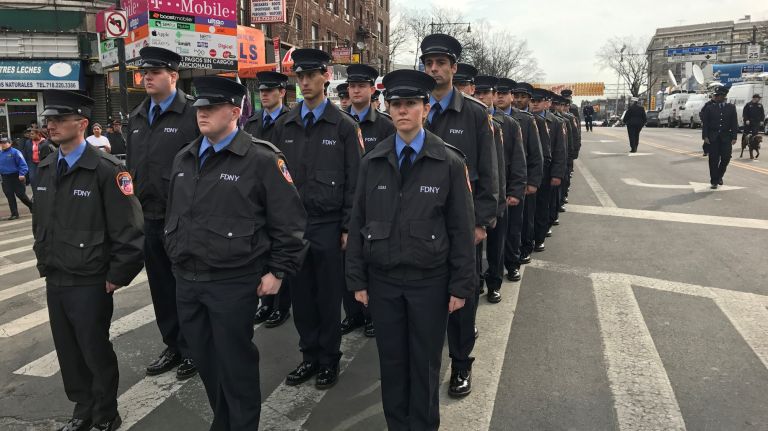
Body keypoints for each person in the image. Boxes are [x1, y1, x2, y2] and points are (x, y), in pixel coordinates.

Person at [164, 76, 307, 430]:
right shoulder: (184, 157)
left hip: (232, 279)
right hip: (188, 278)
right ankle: (223, 421)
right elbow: (175, 215)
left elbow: (290, 222)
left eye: (211, 108)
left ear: (235, 110)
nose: (203, 114)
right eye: (200, 107)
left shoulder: (260, 159)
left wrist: (278, 271)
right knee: (206, 360)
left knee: (236, 362)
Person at [346, 69, 475, 431]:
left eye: (411, 104)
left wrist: (461, 286)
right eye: (396, 104)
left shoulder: (448, 162)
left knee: (425, 363)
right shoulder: (373, 161)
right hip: (384, 281)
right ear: (387, 107)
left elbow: (461, 229)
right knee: (392, 362)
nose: (403, 111)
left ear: (425, 108)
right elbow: (357, 222)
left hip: (429, 282)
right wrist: (356, 278)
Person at [33, 90, 144, 431]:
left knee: (94, 350)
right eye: (48, 120)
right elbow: (43, 221)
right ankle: (83, 409)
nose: (50, 125)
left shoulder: (105, 169)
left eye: (59, 119)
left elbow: (130, 229)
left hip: (91, 277)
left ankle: (106, 414)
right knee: (68, 352)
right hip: (57, 274)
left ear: (81, 124)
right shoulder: (48, 165)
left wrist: (117, 276)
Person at [271, 48, 363, 389]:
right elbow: (275, 181)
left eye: (311, 75)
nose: (305, 82)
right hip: (295, 229)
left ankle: (328, 359)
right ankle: (308, 356)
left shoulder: (342, 125)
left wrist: (346, 226)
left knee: (327, 297)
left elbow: (356, 180)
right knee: (302, 298)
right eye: (300, 76)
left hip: (328, 225)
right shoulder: (285, 125)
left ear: (326, 75)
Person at [420, 33, 498, 398]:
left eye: (440, 63)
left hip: (463, 226)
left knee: (461, 300)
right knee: (427, 300)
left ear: (453, 68)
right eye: (429, 63)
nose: (434, 69)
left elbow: (489, 173)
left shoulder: (476, 114)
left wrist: (481, 222)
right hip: (423, 227)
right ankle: (428, 363)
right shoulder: (414, 109)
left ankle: (462, 364)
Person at [126, 46, 200, 380]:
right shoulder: (138, 116)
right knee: (160, 286)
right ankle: (173, 343)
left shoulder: (193, 114)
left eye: (154, 72)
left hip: (185, 219)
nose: (147, 78)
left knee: (187, 286)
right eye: (144, 73)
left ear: (173, 75)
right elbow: (133, 166)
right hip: (149, 218)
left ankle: (195, 348)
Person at [339, 63, 395, 338]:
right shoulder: (339, 121)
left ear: (373, 90)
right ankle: (353, 314)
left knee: (371, 261)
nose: (356, 90)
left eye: (362, 86)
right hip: (347, 201)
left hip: (376, 202)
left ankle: (372, 314)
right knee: (347, 262)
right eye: (352, 86)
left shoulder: (385, 125)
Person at [243, 71, 294, 329]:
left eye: (270, 90)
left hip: (280, 192)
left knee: (280, 251)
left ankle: (281, 306)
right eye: (262, 91)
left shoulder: (290, 121)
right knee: (262, 249)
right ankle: (266, 304)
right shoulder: (252, 122)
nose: (264, 94)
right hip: (257, 195)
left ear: (282, 93)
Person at [473, 75, 527, 303]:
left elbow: (518, 160)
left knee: (496, 243)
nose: (482, 98)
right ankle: (475, 283)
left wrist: (515, 191)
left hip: (500, 193)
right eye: (478, 93)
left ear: (495, 96)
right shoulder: (470, 121)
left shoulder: (509, 124)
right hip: (475, 193)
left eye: (486, 93)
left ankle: (494, 282)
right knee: (474, 247)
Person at [496, 79, 543, 282]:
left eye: (503, 93)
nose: (499, 97)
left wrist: (531, 182)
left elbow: (534, 154)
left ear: (511, 96)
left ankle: (512, 264)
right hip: (495, 184)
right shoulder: (484, 117)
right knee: (496, 234)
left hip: (516, 182)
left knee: (514, 228)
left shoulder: (524, 120)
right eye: (496, 93)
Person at [529, 89, 566, 253]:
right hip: (529, 172)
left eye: (539, 100)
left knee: (543, 206)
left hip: (547, 172)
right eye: (533, 100)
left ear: (547, 103)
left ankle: (539, 238)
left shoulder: (556, 122)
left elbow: (560, 150)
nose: (535, 103)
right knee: (529, 210)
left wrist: (557, 174)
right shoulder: (524, 119)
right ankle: (528, 238)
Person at [701, 86, 739, 189]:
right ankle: (714, 181)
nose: (716, 97)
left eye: (718, 95)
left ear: (723, 96)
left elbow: (734, 123)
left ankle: (719, 176)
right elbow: (706, 123)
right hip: (713, 137)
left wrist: (734, 136)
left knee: (726, 158)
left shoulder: (731, 107)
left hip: (726, 137)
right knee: (713, 159)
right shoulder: (710, 108)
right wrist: (705, 136)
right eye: (715, 95)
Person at [1, 136, 34, 220]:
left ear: (10, 143)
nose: (3, 144)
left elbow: (23, 165)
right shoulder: (0, 154)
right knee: (9, 195)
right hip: (6, 177)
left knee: (21, 194)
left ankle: (32, 206)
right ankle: (14, 214)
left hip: (17, 176)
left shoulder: (15, 152)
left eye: (5, 143)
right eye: (2, 143)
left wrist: (22, 174)